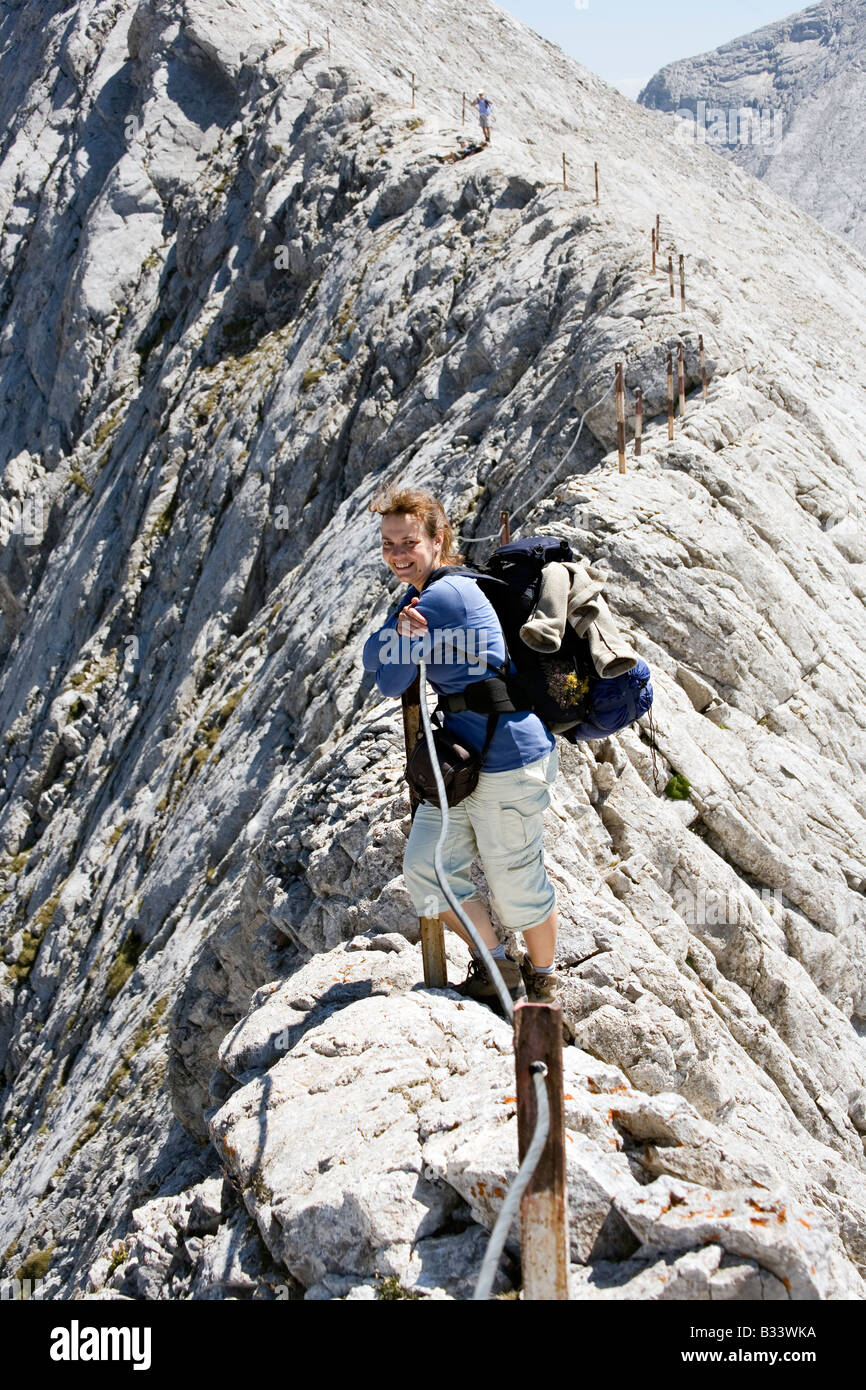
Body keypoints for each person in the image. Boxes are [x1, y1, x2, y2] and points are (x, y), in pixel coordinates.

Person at [362, 485, 562, 1007]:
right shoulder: (417, 598)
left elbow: (388, 679)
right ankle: (498, 966)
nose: (398, 554)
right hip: (465, 762)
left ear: (438, 539)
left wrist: (399, 642)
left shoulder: (445, 598)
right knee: (427, 870)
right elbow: (371, 655)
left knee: (516, 884)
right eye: (388, 545)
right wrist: (398, 638)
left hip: (508, 761)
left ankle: (544, 985)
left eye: (408, 542)